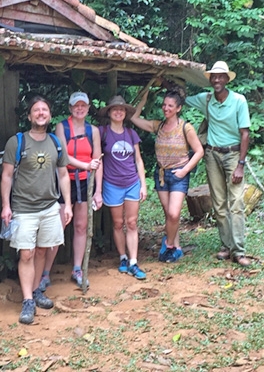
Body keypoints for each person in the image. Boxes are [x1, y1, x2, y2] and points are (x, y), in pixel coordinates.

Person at [0, 96, 100, 324]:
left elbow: (63, 174)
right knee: (27, 253)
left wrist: (66, 204)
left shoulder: (55, 142)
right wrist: (6, 206)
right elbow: (6, 176)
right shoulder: (17, 142)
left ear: (50, 115)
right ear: (29, 116)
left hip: (49, 206)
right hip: (23, 208)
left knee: (43, 250)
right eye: (36, 110)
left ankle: (35, 291)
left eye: (45, 109)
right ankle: (27, 300)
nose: (41, 113)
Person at [185, 61, 251, 267]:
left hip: (233, 155)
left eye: (221, 76)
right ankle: (226, 245)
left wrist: (240, 164)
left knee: (237, 203)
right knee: (219, 203)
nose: (216, 80)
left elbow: (245, 134)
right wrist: (167, 82)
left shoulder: (239, 101)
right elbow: (181, 99)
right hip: (212, 155)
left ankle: (239, 251)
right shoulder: (206, 100)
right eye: (214, 76)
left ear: (227, 79)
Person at [38, 92, 103, 290]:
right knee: (58, 227)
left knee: (81, 226)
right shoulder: (61, 127)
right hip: (64, 181)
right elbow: (63, 156)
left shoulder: (93, 131)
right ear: (70, 108)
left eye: (83, 105)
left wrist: (98, 191)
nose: (80, 108)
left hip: (85, 183)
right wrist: (85, 165)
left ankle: (77, 269)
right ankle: (45, 273)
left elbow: (98, 161)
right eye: (76, 105)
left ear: (88, 107)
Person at [131, 89, 204, 263]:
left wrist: (185, 170)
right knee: (168, 214)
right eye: (164, 105)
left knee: (173, 214)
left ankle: (168, 244)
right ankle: (176, 248)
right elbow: (134, 118)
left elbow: (199, 151)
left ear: (178, 108)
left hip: (179, 174)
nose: (166, 108)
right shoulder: (159, 126)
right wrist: (143, 99)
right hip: (162, 174)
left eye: (170, 105)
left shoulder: (186, 127)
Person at [98, 95, 148, 280]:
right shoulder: (101, 132)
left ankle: (134, 261)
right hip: (112, 184)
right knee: (118, 223)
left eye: (122, 109)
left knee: (132, 222)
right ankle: (123, 257)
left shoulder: (130, 133)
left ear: (125, 113)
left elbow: (138, 160)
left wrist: (143, 184)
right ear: (109, 112)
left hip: (131, 182)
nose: (118, 112)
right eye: (114, 109)